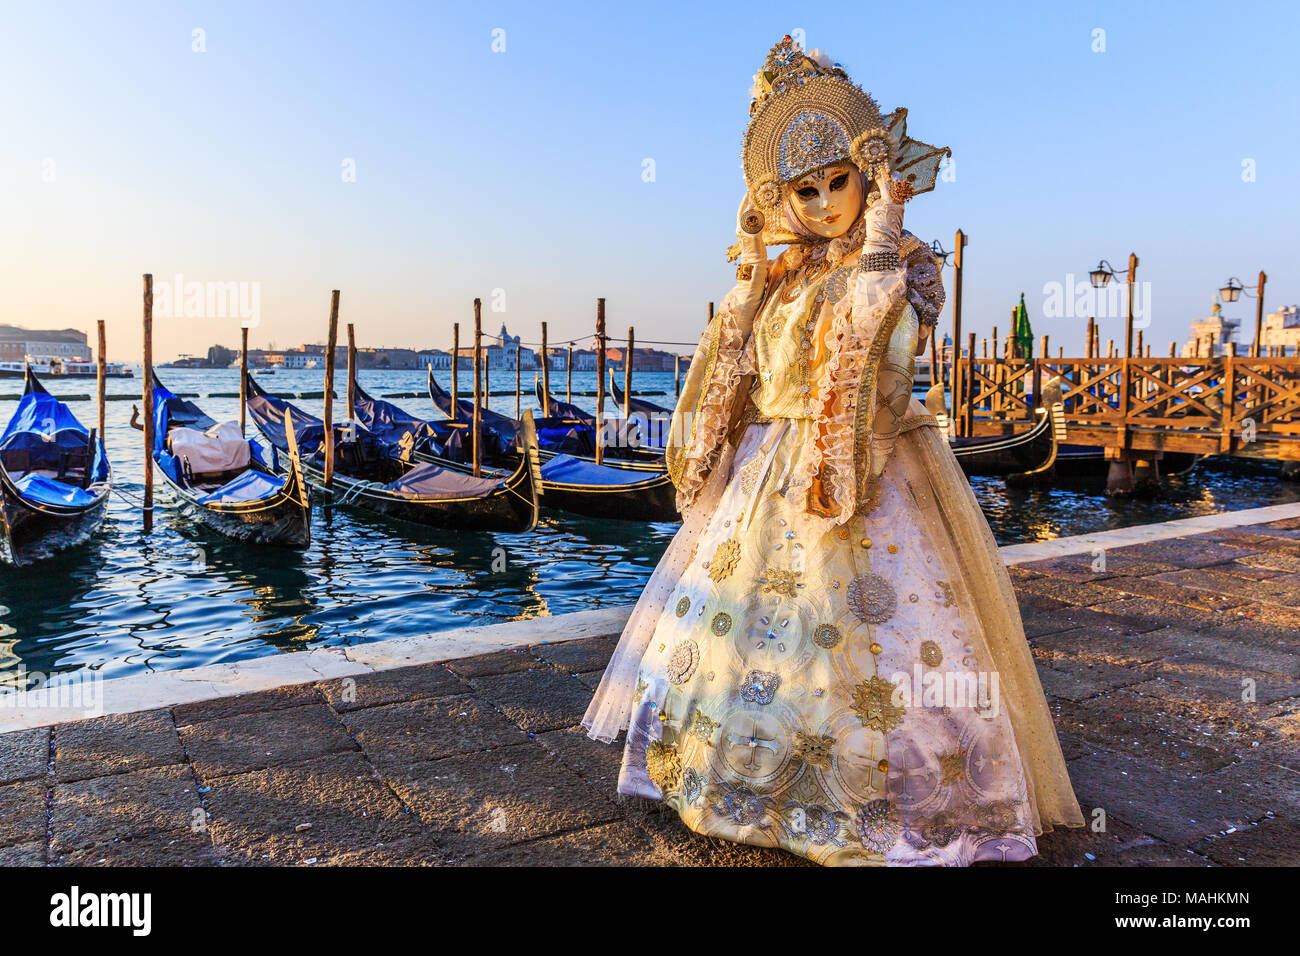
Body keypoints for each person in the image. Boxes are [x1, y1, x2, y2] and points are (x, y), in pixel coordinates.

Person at [582, 36, 1083, 865]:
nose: (821, 204)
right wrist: (747, 286)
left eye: (836, 182)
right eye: (802, 190)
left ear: (869, 172)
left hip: (874, 468)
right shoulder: (782, 276)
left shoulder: (907, 263)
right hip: (768, 474)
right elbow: (733, 370)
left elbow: (885, 358)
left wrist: (882, 246)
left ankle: (889, 792)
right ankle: (738, 775)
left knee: (878, 648)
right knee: (757, 636)